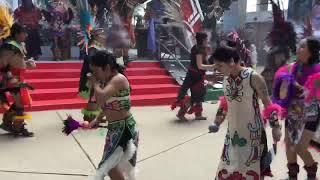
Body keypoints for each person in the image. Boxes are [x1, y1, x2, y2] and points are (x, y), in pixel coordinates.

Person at [208, 47, 282, 179]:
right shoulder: (226, 79)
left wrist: (276, 126)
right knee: (227, 169)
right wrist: (217, 122)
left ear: (231, 61)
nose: (217, 69)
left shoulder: (253, 77)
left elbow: (268, 103)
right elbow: (225, 103)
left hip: (253, 134)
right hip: (233, 133)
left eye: (219, 65)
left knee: (253, 171)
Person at [87, 51, 138, 180]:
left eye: (96, 71)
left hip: (124, 129)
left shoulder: (118, 79)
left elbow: (101, 99)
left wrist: (95, 83)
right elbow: (107, 105)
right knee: (111, 167)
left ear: (107, 68)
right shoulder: (107, 81)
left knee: (110, 166)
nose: (94, 75)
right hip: (115, 129)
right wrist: (98, 119)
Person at [274, 37, 320, 179]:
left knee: (300, 146)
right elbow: (282, 92)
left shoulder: (318, 69)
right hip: (293, 109)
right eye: (298, 46)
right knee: (289, 144)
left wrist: (304, 89)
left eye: (302, 47)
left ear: (311, 52)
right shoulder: (292, 67)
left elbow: (314, 95)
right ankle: (292, 174)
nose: (298, 49)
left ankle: (311, 169)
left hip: (310, 111)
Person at [0, 23, 36, 137]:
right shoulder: (9, 46)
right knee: (20, 105)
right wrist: (10, 77)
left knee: (19, 103)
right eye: (23, 33)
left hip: (19, 78)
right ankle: (18, 128)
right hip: (12, 79)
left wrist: (27, 64)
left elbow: (17, 62)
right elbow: (2, 64)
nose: (26, 35)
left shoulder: (18, 44)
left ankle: (6, 122)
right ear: (16, 34)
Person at [171, 32, 215, 120]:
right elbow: (200, 66)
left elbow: (204, 62)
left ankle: (198, 115)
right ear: (202, 40)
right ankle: (180, 114)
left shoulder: (199, 48)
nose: (207, 41)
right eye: (206, 39)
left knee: (199, 95)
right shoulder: (198, 50)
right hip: (194, 76)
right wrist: (213, 66)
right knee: (194, 97)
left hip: (197, 75)